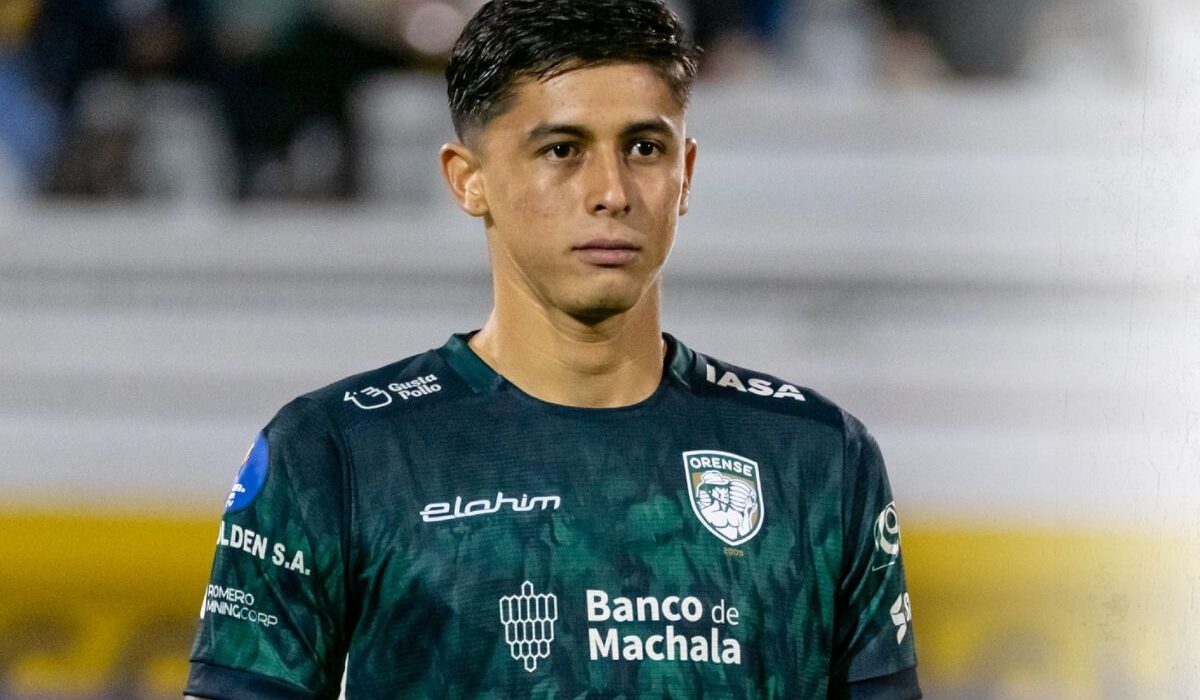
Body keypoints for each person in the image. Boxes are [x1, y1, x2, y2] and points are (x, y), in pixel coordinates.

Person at [184, 1, 921, 698]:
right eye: (562, 150)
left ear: (686, 175)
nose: (612, 192)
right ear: (468, 180)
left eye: (644, 148)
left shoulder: (818, 457)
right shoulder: (334, 454)